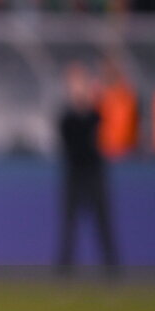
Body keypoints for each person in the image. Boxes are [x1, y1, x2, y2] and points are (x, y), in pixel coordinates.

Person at [55, 62, 119, 273]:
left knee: (103, 224)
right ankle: (65, 273)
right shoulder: (66, 118)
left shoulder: (96, 116)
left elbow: (104, 135)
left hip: (94, 174)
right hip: (74, 174)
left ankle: (111, 272)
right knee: (69, 226)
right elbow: (72, 141)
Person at [96, 56, 139, 160]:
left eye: (113, 69)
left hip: (125, 151)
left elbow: (134, 122)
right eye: (107, 69)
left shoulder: (127, 94)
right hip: (104, 150)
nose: (109, 72)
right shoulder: (98, 95)